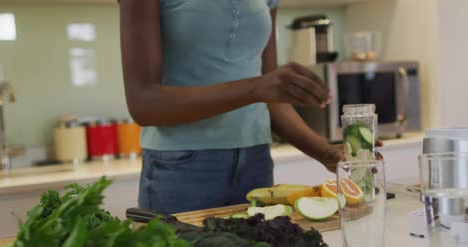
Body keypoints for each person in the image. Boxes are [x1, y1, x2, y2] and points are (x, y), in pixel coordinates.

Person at [119, 0, 365, 214]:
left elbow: (271, 96)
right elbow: (144, 103)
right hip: (181, 167)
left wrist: (325, 152)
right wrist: (257, 87)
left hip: (256, 163)